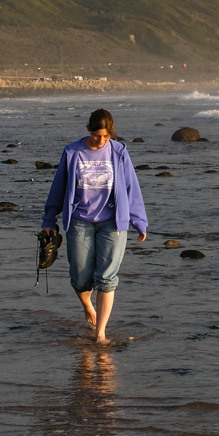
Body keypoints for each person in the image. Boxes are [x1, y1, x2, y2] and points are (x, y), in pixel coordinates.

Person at [41, 108, 148, 344]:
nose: (101, 141)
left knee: (107, 278)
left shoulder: (119, 152)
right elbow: (58, 187)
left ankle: (100, 333)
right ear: (88, 130)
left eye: (106, 136)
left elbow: (131, 187)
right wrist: (49, 220)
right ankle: (87, 304)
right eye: (97, 135)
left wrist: (139, 221)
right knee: (80, 277)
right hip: (80, 221)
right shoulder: (72, 152)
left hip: (112, 223)